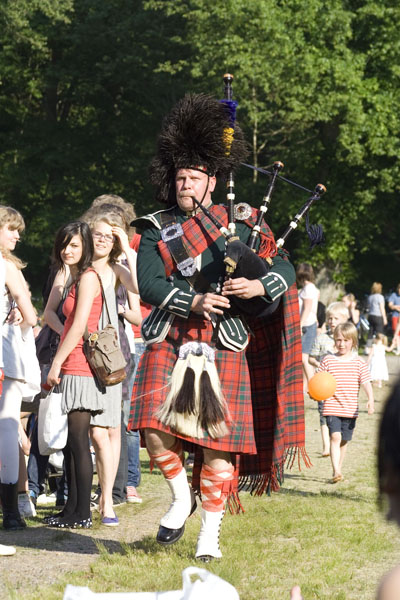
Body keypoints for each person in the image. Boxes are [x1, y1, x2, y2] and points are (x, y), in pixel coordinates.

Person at [128, 93, 306, 561]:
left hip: (224, 340)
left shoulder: (239, 222)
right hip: (174, 334)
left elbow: (284, 266)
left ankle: (210, 531)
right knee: (152, 427)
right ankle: (179, 497)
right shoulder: (155, 226)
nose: (184, 183)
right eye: (179, 177)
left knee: (218, 445)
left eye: (193, 177)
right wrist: (194, 298)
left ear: (212, 181)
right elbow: (148, 281)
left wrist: (258, 285)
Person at [45, 221, 105, 529]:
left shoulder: (90, 277)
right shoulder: (73, 277)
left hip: (81, 365)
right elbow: (54, 317)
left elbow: (79, 326)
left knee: (80, 441)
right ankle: (70, 509)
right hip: (72, 363)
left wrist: (56, 363)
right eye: (64, 245)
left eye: (74, 245)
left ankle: (82, 512)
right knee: (70, 442)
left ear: (86, 249)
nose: (67, 250)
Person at [83, 208, 138, 526]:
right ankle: (88, 493)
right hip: (83, 355)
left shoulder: (119, 269)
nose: (102, 240)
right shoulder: (80, 266)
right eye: (97, 235)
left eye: (109, 235)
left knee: (113, 427)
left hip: (114, 358)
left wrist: (127, 249)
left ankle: (109, 496)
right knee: (90, 430)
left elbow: (137, 310)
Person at [0, 206, 40, 531]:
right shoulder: (8, 268)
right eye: (11, 229)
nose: (16, 235)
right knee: (6, 430)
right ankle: (11, 512)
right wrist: (18, 316)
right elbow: (32, 316)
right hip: (3, 361)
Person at [319, 322, 374, 483]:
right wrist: (313, 391)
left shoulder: (359, 363)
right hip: (331, 407)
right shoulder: (328, 360)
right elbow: (318, 380)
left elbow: (366, 383)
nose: (341, 344)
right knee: (335, 437)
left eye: (345, 340)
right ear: (334, 341)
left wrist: (370, 399)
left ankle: (339, 469)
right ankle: (336, 470)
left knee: (344, 440)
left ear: (353, 342)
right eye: (338, 340)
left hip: (350, 409)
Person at [308, 301, 349, 457]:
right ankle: (326, 447)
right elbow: (311, 358)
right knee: (324, 414)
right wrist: (321, 364)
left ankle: (337, 441)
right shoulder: (321, 338)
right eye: (330, 318)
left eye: (336, 319)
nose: (332, 322)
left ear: (344, 320)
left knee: (339, 416)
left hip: (341, 384)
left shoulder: (348, 340)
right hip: (323, 384)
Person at [296, 263, 320, 392]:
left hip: (307, 325)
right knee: (304, 358)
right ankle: (305, 387)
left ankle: (313, 386)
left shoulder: (308, 289)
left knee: (303, 358)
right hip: (309, 324)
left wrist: (300, 324)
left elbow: (308, 308)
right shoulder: (310, 288)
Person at [388, 283, 400, 355]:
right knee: (396, 332)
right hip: (396, 315)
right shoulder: (394, 295)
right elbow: (390, 305)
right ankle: (398, 348)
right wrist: (396, 307)